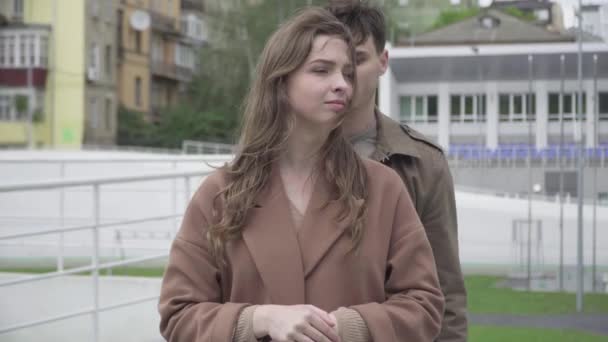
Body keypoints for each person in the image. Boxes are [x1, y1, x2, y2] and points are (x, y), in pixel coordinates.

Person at [158, 7, 444, 342]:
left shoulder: (383, 188)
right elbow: (179, 314)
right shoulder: (220, 193)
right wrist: (259, 319)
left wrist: (350, 327)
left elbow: (424, 305)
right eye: (322, 70)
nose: (342, 85)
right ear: (280, 82)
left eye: (348, 74)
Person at [326, 1, 468, 341]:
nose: (344, 76)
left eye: (357, 60)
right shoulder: (283, 157)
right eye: (330, 64)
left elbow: (444, 287)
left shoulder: (420, 162)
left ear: (382, 62)